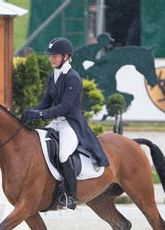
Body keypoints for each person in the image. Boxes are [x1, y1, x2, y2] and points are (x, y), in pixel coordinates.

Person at [23, 37, 110, 210]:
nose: (51, 59)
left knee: (63, 154)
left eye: (55, 56)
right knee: (38, 146)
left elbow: (65, 107)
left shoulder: (73, 78)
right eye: (51, 56)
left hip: (71, 124)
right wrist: (32, 111)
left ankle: (71, 196)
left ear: (65, 56)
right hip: (56, 122)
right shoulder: (53, 77)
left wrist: (41, 114)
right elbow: (46, 102)